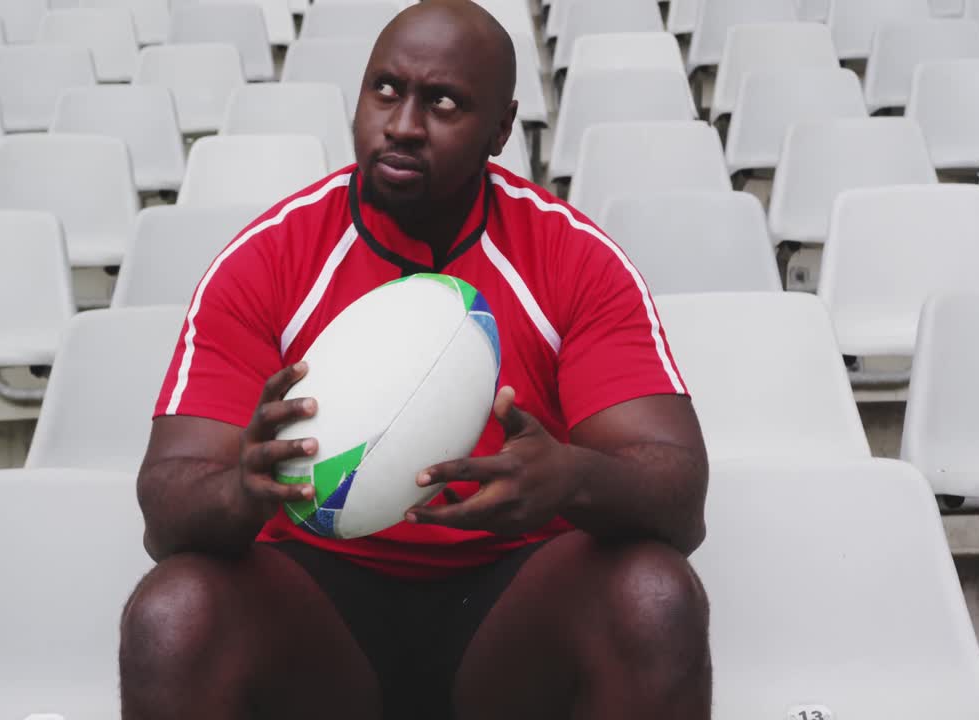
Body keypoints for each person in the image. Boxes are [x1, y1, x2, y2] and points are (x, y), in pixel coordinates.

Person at [120, 1, 711, 718]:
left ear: (500, 128)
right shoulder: (268, 258)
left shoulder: (574, 259)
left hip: (514, 610)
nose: (402, 125)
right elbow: (166, 511)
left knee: (654, 596)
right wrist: (239, 491)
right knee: (173, 613)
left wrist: (574, 477)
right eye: (386, 90)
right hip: (316, 612)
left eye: (443, 102)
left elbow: (681, 501)